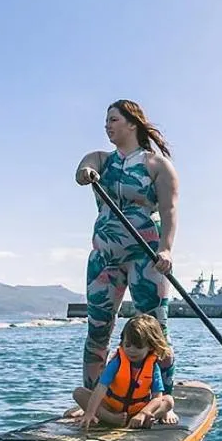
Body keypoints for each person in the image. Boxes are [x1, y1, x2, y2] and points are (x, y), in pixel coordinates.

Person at [74, 99, 179, 389]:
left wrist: (166, 249)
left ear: (132, 123)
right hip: (104, 258)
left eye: (113, 119)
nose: (107, 126)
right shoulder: (100, 160)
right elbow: (83, 170)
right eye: (106, 121)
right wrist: (86, 173)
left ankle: (162, 397)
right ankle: (95, 398)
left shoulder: (157, 165)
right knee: (98, 331)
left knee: (155, 332)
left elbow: (169, 211)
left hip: (146, 258)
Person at [72, 315, 177, 430]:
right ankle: (111, 418)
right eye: (127, 345)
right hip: (111, 409)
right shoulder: (117, 363)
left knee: (168, 401)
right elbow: (100, 388)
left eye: (138, 346)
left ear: (151, 347)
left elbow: (157, 398)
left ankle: (142, 419)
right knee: (79, 393)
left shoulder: (152, 366)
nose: (131, 350)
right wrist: (90, 413)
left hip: (138, 412)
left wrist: (143, 413)